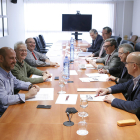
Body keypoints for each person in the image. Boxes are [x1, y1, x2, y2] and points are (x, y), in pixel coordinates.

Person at [0, 47, 39, 116]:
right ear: (1, 59)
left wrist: (30, 86)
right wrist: (27, 95)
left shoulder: (7, 71)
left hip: (11, 108)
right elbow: (4, 100)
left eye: (15, 58)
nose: (15, 61)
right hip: (3, 115)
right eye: (11, 58)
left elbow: (16, 82)